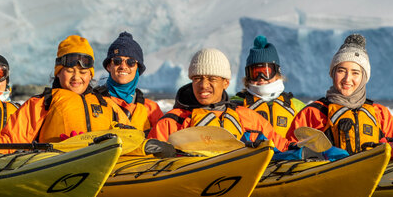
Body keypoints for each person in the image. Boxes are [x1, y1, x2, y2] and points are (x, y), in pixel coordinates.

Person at [0, 35, 130, 145]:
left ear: (91, 75)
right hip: (56, 169)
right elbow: (10, 141)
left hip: (105, 169)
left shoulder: (107, 104)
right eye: (69, 71)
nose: (76, 77)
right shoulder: (43, 103)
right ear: (58, 73)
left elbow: (130, 137)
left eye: (83, 72)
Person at [150, 47, 289, 150]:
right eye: (197, 78)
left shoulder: (248, 117)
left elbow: (282, 146)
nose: (203, 85)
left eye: (212, 79)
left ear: (226, 83)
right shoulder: (172, 122)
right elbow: (148, 161)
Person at [287, 33, 393, 154]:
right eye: (341, 71)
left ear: (364, 77)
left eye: (355, 73)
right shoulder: (312, 113)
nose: (347, 79)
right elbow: (288, 151)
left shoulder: (380, 114)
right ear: (332, 73)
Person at [232, 35, 306, 138]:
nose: (261, 78)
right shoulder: (236, 104)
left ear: (277, 72)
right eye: (255, 73)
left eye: (266, 72)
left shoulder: (296, 107)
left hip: (287, 153)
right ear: (248, 76)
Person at [92, 32, 163, 134]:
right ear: (109, 66)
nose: (123, 66)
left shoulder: (151, 109)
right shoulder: (94, 102)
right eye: (117, 61)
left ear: (138, 68)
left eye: (131, 62)